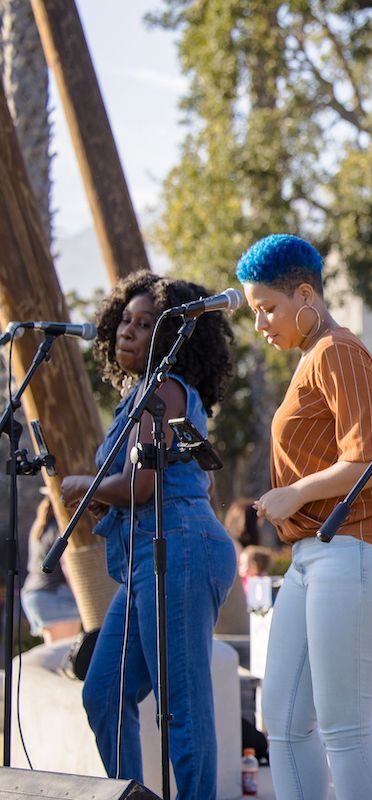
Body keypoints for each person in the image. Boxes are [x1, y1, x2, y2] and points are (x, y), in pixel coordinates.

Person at [236, 233, 372, 800]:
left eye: (268, 308)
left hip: (363, 545)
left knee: (344, 726)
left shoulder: (338, 350)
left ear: (305, 295)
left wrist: (295, 492)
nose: (261, 323)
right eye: (254, 312)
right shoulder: (312, 358)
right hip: (318, 553)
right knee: (284, 719)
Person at [61, 271, 237, 800]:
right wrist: (106, 496)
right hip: (148, 556)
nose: (127, 331)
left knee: (180, 706)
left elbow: (141, 485)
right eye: (125, 321)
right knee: (104, 692)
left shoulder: (166, 389)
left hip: (178, 546)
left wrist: (85, 486)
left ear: (171, 335)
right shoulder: (140, 395)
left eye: (144, 324)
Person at [20, 495, 82, 643]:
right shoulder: (60, 528)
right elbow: (67, 566)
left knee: (54, 649)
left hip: (32, 593)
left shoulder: (39, 527)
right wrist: (83, 597)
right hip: (54, 593)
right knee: (65, 650)